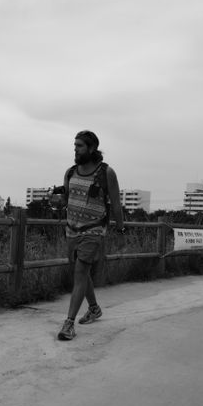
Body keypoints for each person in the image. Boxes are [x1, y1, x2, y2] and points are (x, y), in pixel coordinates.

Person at [50, 130, 125, 341]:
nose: (75, 149)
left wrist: (121, 231)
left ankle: (68, 324)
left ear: (92, 148)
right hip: (71, 230)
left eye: (79, 146)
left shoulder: (106, 173)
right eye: (74, 146)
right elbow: (65, 200)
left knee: (81, 272)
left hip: (94, 230)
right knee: (80, 272)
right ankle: (93, 308)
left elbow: (117, 205)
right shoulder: (70, 172)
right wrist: (56, 201)